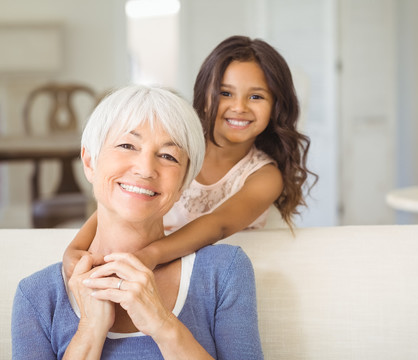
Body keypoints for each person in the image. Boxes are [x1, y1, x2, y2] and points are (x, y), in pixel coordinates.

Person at [11, 85, 263, 359]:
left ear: (183, 184)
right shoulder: (37, 295)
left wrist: (162, 324)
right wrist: (90, 330)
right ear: (89, 162)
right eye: (127, 145)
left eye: (168, 156)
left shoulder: (223, 272)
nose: (145, 169)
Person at [63, 35, 316, 277]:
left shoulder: (265, 176)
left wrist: (150, 256)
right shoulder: (175, 149)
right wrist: (75, 249)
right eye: (225, 93)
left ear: (276, 106)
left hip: (214, 279)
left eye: (256, 96)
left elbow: (218, 224)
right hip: (153, 268)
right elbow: (119, 199)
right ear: (204, 93)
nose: (239, 107)